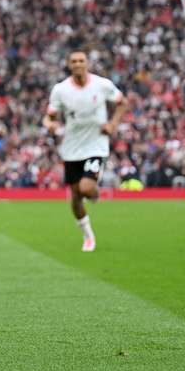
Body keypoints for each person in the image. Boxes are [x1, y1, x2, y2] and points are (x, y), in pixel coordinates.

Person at [43, 51, 128, 252]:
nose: (78, 64)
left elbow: (122, 103)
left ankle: (94, 192)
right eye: (74, 61)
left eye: (81, 61)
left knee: (86, 187)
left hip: (96, 144)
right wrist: (51, 125)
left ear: (87, 63)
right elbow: (49, 117)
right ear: (69, 64)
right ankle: (88, 236)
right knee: (75, 197)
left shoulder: (102, 85)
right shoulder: (60, 90)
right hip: (72, 148)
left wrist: (113, 124)